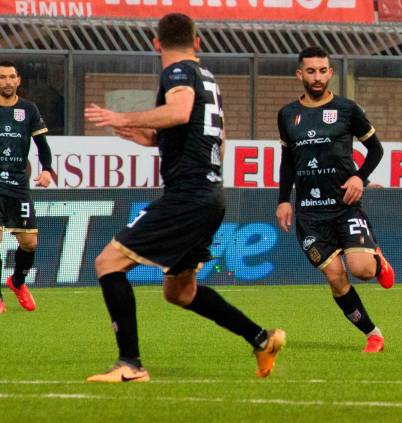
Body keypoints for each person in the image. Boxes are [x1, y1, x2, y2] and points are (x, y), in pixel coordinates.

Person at [83, 13, 284, 382]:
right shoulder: (209, 79)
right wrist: (149, 137)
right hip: (209, 195)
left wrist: (124, 117)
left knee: (107, 263)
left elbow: (178, 112)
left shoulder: (178, 73)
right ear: (198, 41)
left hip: (187, 196)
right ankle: (261, 339)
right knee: (180, 291)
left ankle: (130, 364)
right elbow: (214, 140)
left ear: (156, 44)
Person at [276, 46, 395, 353]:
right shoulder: (287, 115)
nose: (318, 77)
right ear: (299, 74)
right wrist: (283, 200)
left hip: (344, 206)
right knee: (335, 276)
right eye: (311, 71)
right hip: (309, 214)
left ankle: (376, 259)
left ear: (330, 72)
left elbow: (376, 150)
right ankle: (373, 334)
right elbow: (288, 160)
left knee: (363, 270)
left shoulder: (347, 109)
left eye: (323, 70)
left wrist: (359, 177)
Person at [0, 61, 54, 314]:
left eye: (11, 77)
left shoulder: (28, 109)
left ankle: (17, 282)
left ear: (18, 80)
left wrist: (46, 170)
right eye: (2, 77)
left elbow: (42, 146)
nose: (7, 82)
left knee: (30, 242)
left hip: (18, 184)